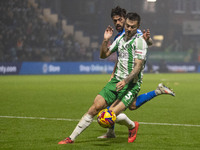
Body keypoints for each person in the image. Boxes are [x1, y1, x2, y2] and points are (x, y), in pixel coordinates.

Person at [97, 6, 174, 139]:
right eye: (115, 21)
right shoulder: (119, 36)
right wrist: (113, 74)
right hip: (121, 75)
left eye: (120, 20)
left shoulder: (133, 31)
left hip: (132, 75)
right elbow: (120, 58)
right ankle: (158, 91)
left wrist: (147, 39)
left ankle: (124, 128)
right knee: (130, 105)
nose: (118, 23)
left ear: (125, 19)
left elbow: (149, 42)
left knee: (117, 105)